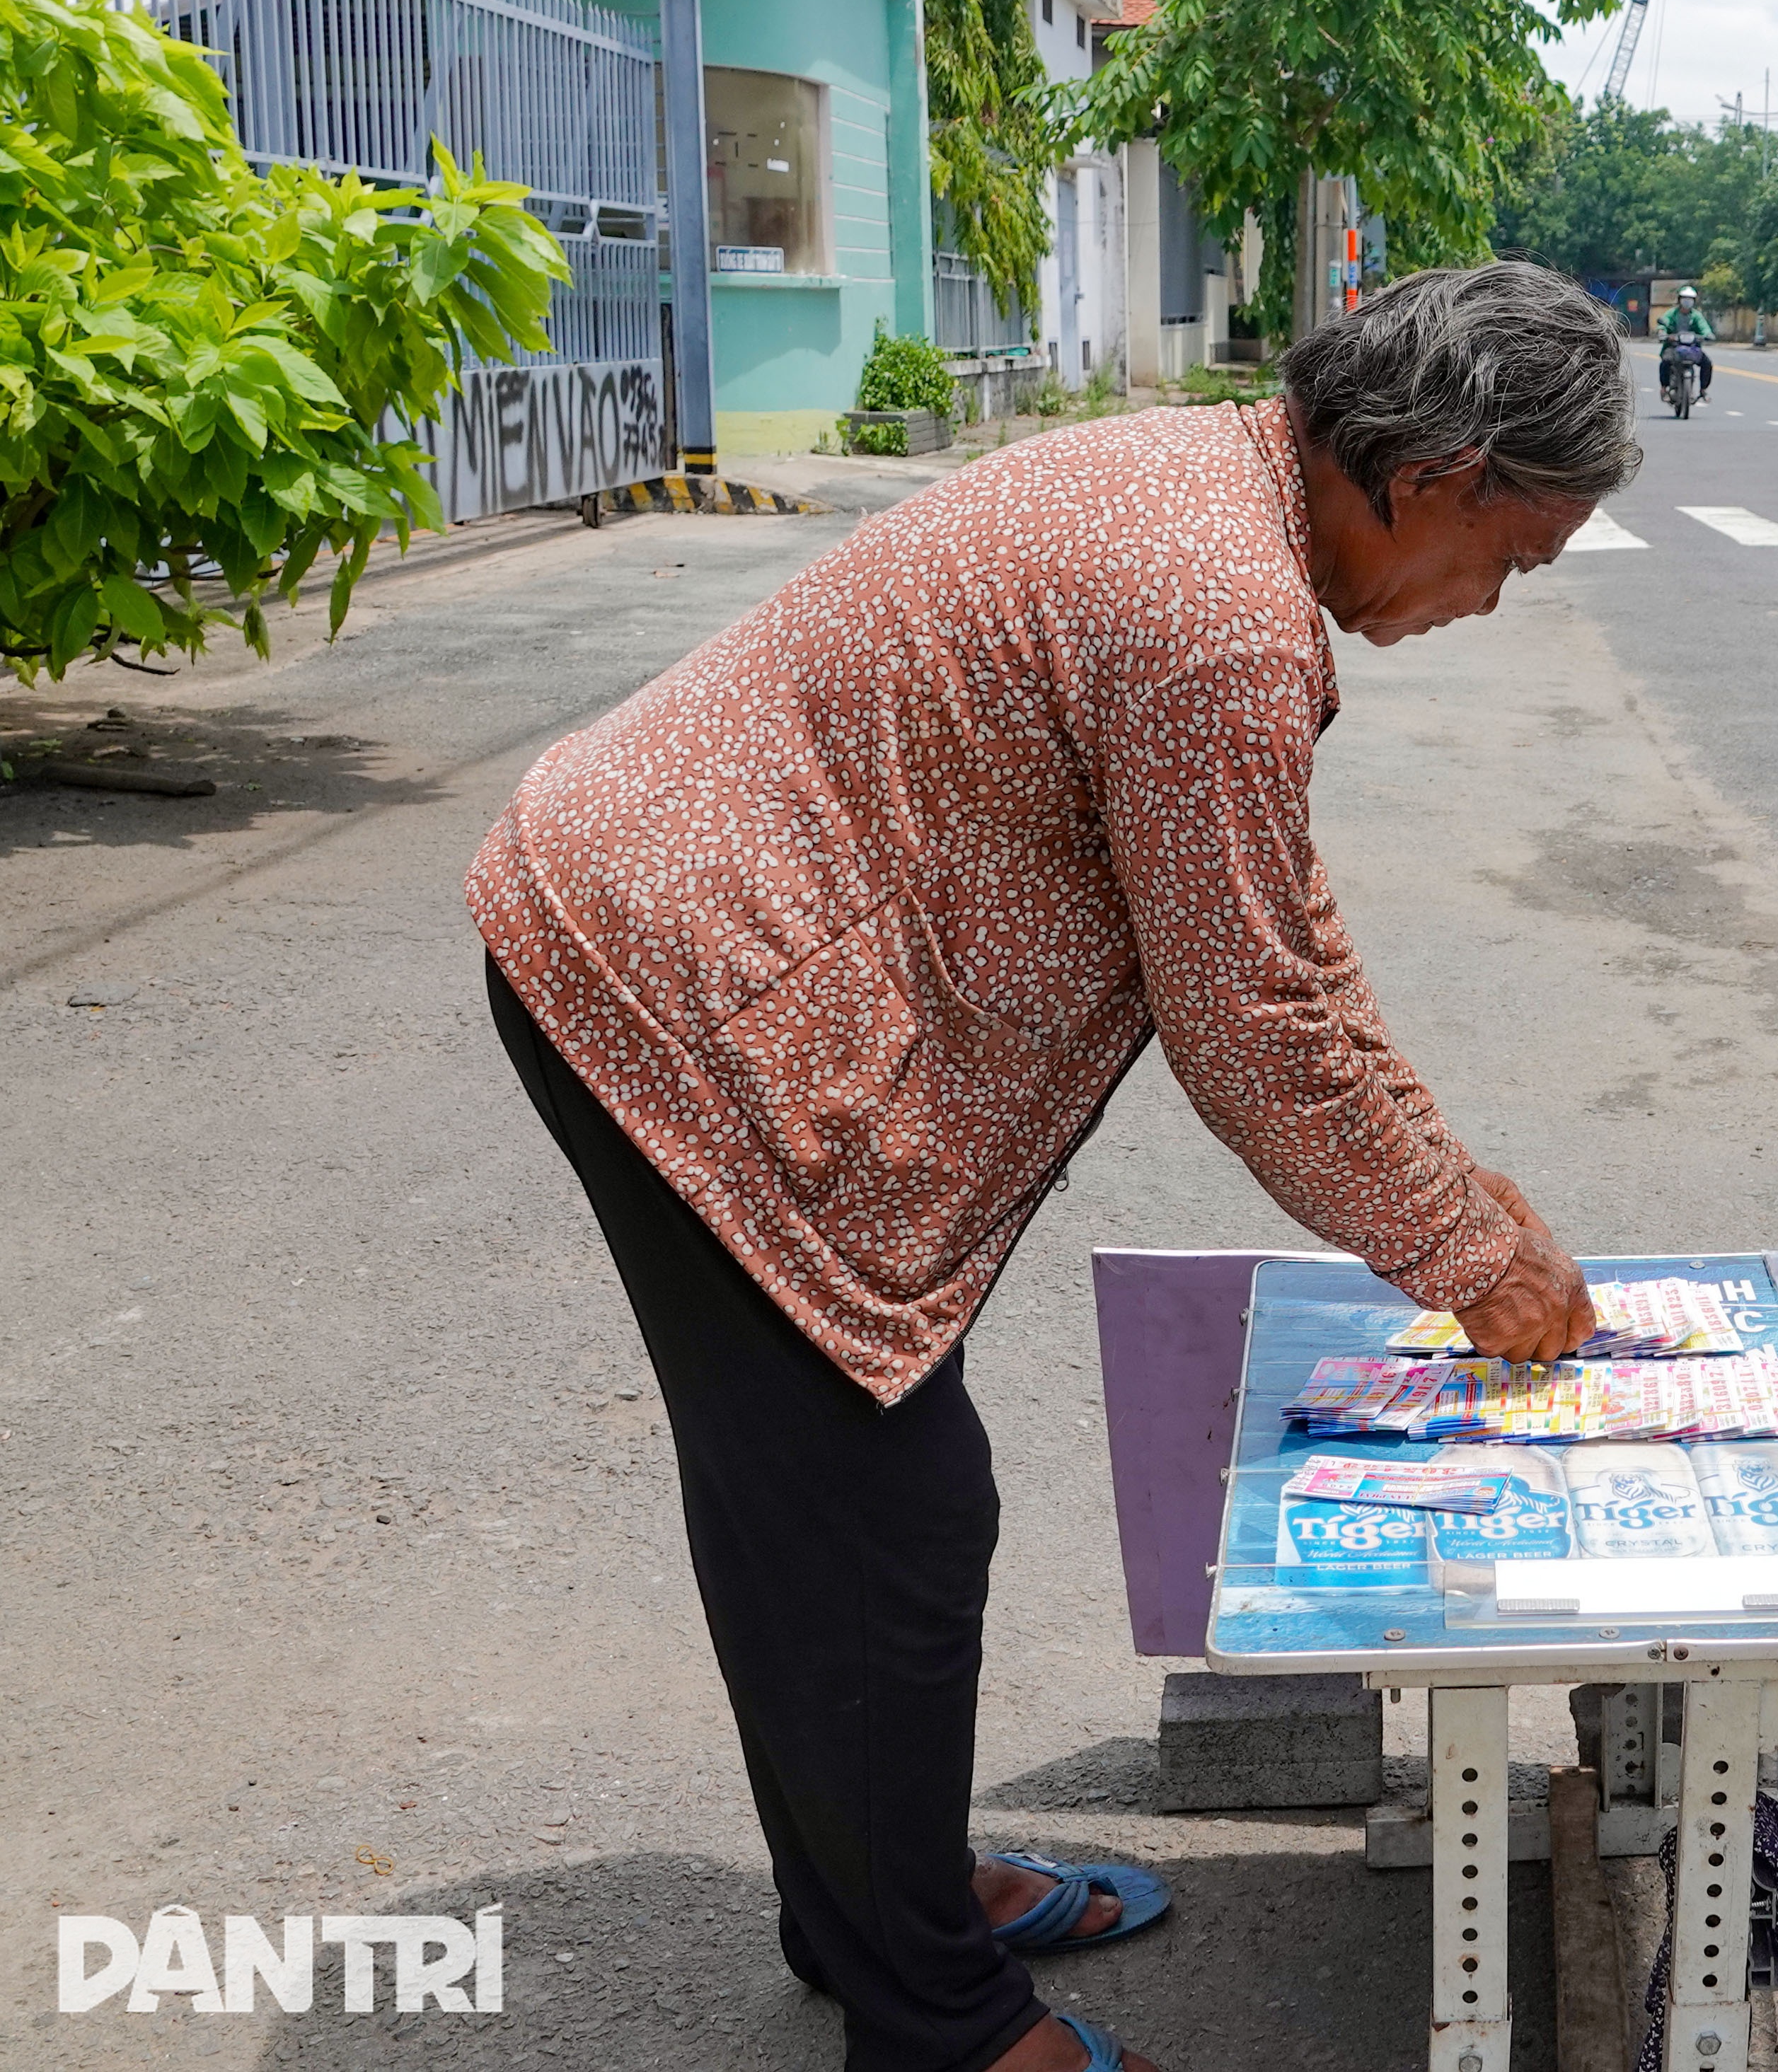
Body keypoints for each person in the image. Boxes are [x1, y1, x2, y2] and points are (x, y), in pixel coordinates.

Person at [471, 262, 1631, 2072]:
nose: (1492, 603)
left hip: (682, 937)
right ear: (1443, 477)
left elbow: (1281, 947)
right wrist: (1467, 1250)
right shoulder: (1220, 617)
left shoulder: (1214, 481)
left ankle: (884, 1901)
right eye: (1518, 559)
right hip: (684, 991)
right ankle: (932, 2015)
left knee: (827, 1509)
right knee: (884, 1515)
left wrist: (1459, 1195)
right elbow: (1250, 1017)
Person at [1659, 285, 1716, 399]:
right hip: (1673, 346)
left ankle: (1703, 390)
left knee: (1707, 363)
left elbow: (1704, 327)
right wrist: (1663, 333)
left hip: (1692, 348)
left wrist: (1708, 335)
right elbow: (1663, 323)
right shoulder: (1672, 313)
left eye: (1690, 299)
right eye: (1684, 298)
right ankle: (1664, 388)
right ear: (1679, 300)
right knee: (1665, 362)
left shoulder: (1696, 316)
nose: (1687, 302)